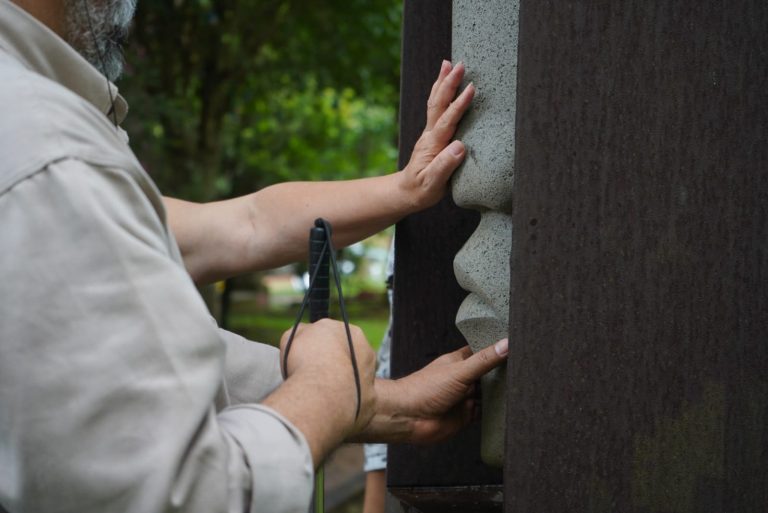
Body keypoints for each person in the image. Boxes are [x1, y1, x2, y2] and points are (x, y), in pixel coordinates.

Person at [0, 1, 508, 512]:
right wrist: (327, 388)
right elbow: (178, 494)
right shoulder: (43, 153)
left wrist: (407, 188)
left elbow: (242, 227)